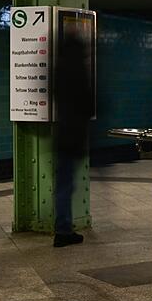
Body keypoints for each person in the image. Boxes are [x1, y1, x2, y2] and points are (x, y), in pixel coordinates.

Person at [53, 31, 93, 247]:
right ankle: (63, 230)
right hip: (74, 135)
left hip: (61, 134)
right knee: (67, 185)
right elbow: (87, 104)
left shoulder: (59, 70)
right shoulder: (78, 72)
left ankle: (63, 227)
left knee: (63, 184)